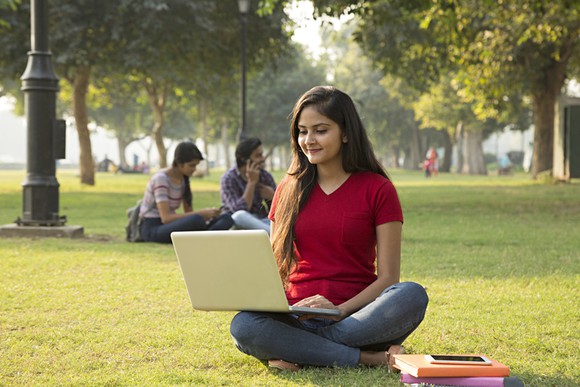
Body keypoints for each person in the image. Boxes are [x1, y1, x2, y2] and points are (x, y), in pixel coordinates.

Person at [230, 86, 428, 371]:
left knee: (411, 294)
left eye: (320, 130)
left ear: (345, 133)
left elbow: (388, 278)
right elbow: (274, 266)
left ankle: (298, 350)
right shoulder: (287, 188)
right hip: (294, 315)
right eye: (302, 131)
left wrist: (340, 311)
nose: (308, 140)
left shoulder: (378, 189)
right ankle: (367, 358)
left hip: (357, 317)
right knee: (245, 325)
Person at [139, 142, 233, 243]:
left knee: (227, 218)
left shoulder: (183, 179)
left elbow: (189, 213)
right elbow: (166, 218)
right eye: (191, 165)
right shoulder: (161, 179)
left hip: (169, 225)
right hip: (153, 227)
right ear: (180, 164)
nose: (194, 169)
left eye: (196, 165)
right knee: (196, 220)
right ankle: (206, 237)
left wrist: (208, 215)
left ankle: (205, 238)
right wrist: (201, 213)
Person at [220, 137, 276, 234]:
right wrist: (251, 183)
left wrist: (273, 197)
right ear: (244, 159)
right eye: (258, 156)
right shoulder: (229, 178)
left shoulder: (265, 176)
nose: (262, 159)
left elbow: (277, 214)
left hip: (260, 222)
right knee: (239, 216)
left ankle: (272, 234)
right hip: (237, 225)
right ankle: (275, 237)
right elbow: (239, 210)